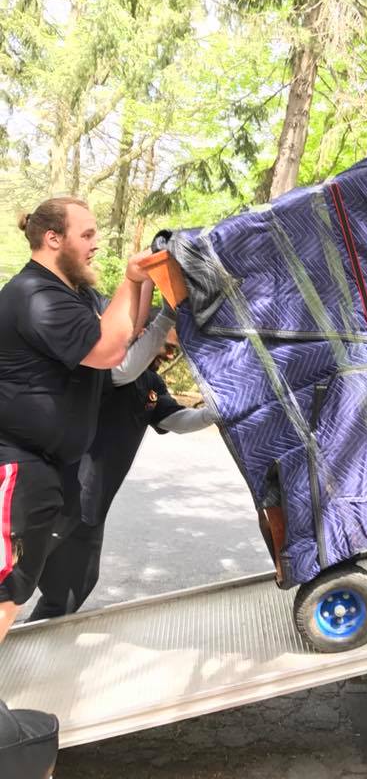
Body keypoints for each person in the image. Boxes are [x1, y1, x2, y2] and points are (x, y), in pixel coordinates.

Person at [0, 196, 152, 644]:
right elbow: (106, 351)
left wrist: (143, 281)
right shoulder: (34, 296)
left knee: (16, 586)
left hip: (49, 467)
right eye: (86, 234)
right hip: (19, 462)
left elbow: (128, 331)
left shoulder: (72, 294)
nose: (95, 244)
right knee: (6, 591)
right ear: (52, 238)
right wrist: (129, 278)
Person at [27, 327, 215, 619]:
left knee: (74, 585)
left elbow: (175, 419)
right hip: (59, 496)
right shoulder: (101, 369)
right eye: (165, 342)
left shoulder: (151, 383)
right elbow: (123, 373)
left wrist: (213, 413)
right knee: (13, 575)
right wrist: (164, 318)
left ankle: (31, 647)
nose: (170, 351)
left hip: (92, 507)